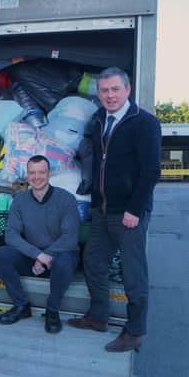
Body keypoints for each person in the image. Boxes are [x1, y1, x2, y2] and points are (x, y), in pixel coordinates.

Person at [67, 67, 161, 352]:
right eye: (104, 90)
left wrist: (135, 209)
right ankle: (98, 316)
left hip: (129, 213)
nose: (109, 95)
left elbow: (151, 171)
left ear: (127, 90)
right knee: (94, 262)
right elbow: (98, 164)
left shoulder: (144, 122)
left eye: (115, 89)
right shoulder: (99, 121)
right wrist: (95, 202)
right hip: (102, 211)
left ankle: (134, 332)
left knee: (134, 274)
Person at [0, 155, 80, 333]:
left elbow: (70, 238)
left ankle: (52, 311)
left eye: (41, 172)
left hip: (59, 256)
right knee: (1, 254)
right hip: (33, 256)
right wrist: (37, 255)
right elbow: (11, 235)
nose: (36, 176)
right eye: (32, 172)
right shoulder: (20, 200)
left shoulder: (66, 199)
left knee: (64, 260)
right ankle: (21, 305)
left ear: (49, 174)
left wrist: (46, 255)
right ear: (27, 175)